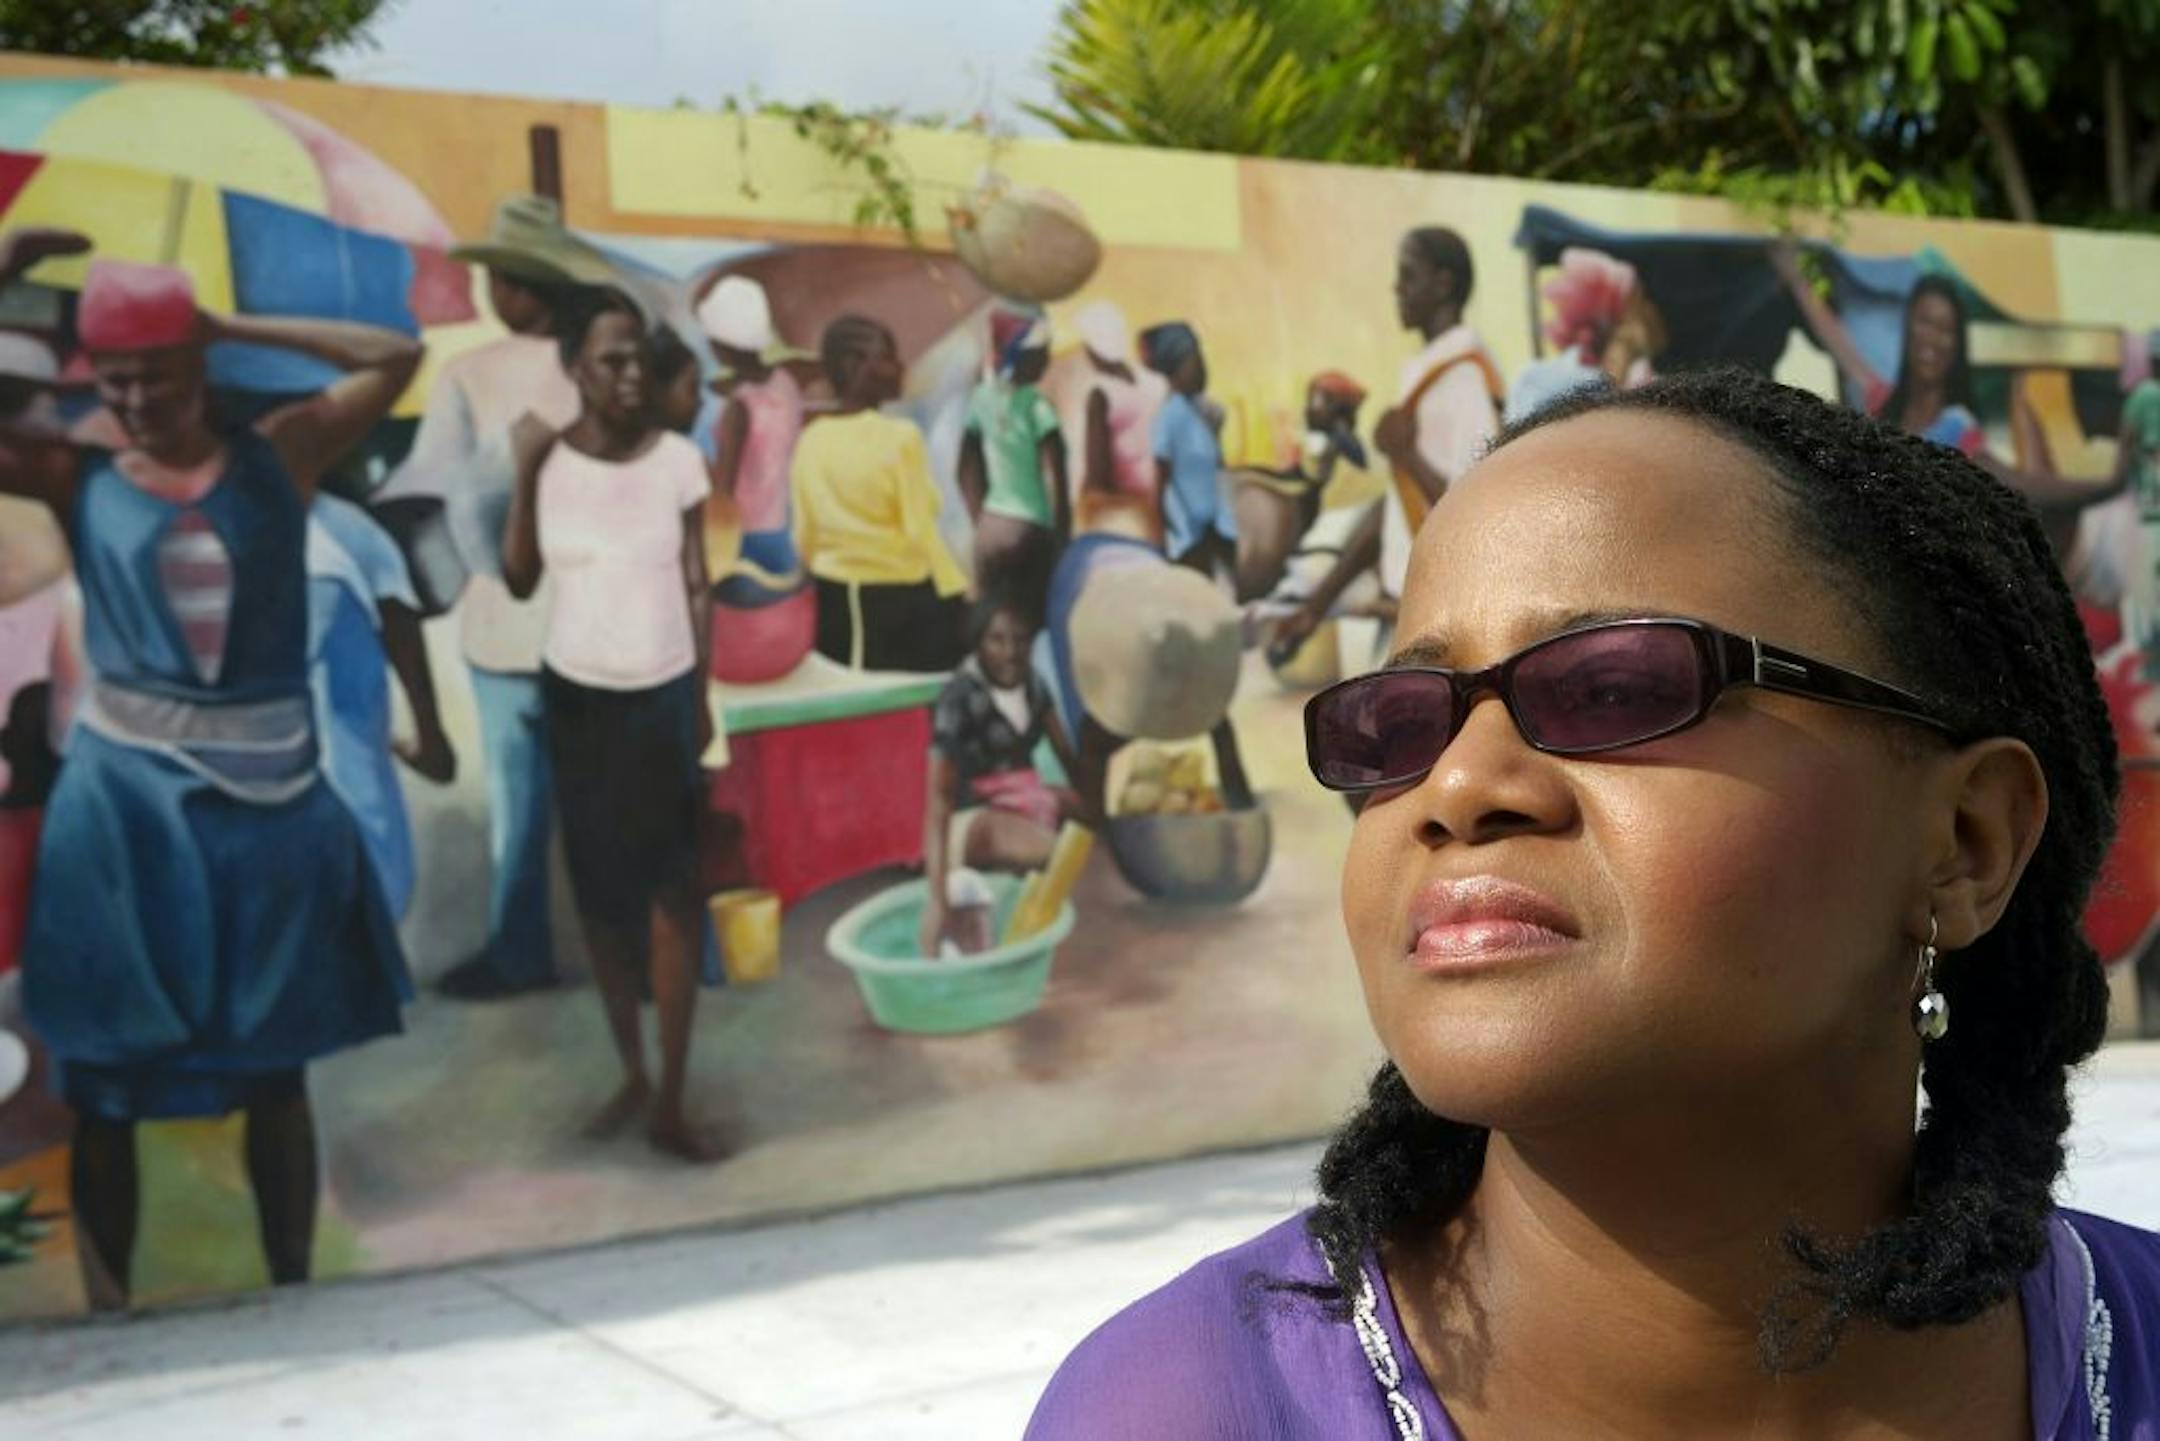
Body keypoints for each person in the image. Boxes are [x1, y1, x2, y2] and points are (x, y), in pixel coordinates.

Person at [1026, 367, 2160, 1438]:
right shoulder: (1183, 1408)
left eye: (1615, 685)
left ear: (1965, 842)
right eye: (1398, 722)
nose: (1459, 787)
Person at [1, 243, 423, 1312]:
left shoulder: (282, 455)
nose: (137, 396)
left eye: (160, 369)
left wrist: (233, 326)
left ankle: (294, 1297)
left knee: (276, 1074)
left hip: (272, 812)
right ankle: (111, 1309)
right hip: (126, 818)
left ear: (198, 365)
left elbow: (393, 353)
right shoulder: (75, 476)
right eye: (115, 374)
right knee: (105, 1082)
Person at [503, 292, 721, 1163]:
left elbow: (699, 581)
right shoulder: (547, 462)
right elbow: (519, 576)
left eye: (638, 358)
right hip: (580, 700)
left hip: (663, 694)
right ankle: (630, 1068)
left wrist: (703, 692)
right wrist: (523, 472)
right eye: (610, 362)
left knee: (674, 896)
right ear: (574, 370)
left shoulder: (677, 459)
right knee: (602, 900)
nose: (631, 376)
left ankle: (670, 1095)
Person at [391, 194, 618, 1001]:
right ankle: (628, 951)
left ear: (524, 289)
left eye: (497, 279)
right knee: (607, 798)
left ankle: (519, 953)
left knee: (520, 810)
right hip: (595, 618)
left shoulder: (468, 375)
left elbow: (434, 492)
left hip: (503, 621)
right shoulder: (599, 370)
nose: (489, 292)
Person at [1270, 228, 1502, 660]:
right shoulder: (1428, 373)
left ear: (1443, 284)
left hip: (1444, 628)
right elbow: (1396, 509)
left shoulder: (1463, 379)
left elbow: (1476, 514)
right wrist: (1314, 608)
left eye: (1408, 275)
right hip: (1409, 615)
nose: (1397, 288)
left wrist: (1406, 453)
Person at [789, 314, 970, 672]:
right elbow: (921, 533)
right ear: (855, 366)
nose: (899, 367)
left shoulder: (810, 439)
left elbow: (805, 535)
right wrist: (959, 592)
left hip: (834, 603)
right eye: (887, 356)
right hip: (899, 607)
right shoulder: (901, 438)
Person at [305, 493, 456, 919]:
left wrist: (430, 736)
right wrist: (431, 736)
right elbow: (401, 627)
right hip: (344, 779)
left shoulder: (342, 530)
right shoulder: (347, 529)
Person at [917, 598, 1087, 956]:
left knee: (1088, 821)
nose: (1011, 652)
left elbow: (1066, 757)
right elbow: (939, 800)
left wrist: (1090, 803)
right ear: (979, 644)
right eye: (997, 640)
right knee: (1057, 854)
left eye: (1021, 640)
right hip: (972, 818)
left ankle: (1016, 872)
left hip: (1022, 798)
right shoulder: (958, 698)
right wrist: (937, 898)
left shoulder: (1034, 685)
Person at [697, 274, 807, 604]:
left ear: (720, 346)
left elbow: (724, 491)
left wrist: (700, 467)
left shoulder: (738, 408)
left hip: (742, 538)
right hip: (779, 530)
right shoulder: (786, 385)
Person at [958, 306, 1068, 623]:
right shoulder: (1038, 408)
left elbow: (965, 466)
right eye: (1040, 353)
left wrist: (981, 517)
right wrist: (1061, 537)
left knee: (989, 618)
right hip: (1031, 528)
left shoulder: (981, 399)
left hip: (992, 527)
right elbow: (1054, 476)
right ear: (1022, 357)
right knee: (1032, 618)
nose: (1047, 359)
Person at [1142, 320, 1240, 588]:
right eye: (1192, 361)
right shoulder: (1169, 417)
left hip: (1216, 532)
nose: (1201, 369)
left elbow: (1217, 472)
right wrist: (1161, 538)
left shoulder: (1203, 413)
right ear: (1173, 369)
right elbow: (1160, 481)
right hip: (1188, 541)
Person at [1061, 299, 1168, 544]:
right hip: (1156, 505)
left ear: (1092, 349)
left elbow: (1097, 469)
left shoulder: (1101, 394)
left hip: (1122, 509)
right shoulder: (1155, 385)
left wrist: (1084, 512)